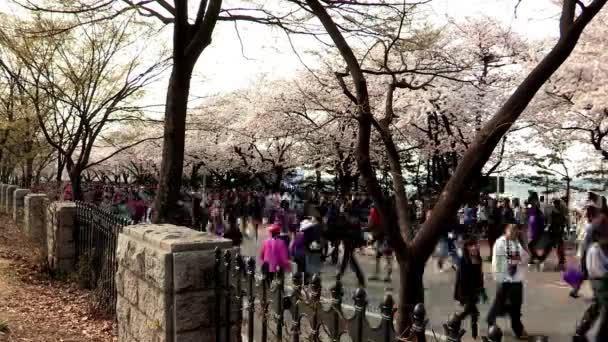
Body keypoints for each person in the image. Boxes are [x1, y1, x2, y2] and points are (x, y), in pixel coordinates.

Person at [487, 224, 529, 340]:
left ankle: (513, 326)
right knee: (502, 304)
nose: (514, 232)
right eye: (512, 229)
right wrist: (518, 259)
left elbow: (526, 258)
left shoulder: (517, 243)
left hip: (516, 280)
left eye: (516, 230)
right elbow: (507, 259)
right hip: (505, 279)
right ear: (506, 230)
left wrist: (524, 242)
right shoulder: (500, 243)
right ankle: (516, 328)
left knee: (514, 306)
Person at [576, 208, 608, 340]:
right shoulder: (598, 224)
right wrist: (584, 272)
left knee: (598, 303)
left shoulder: (600, 223)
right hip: (598, 271)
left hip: (600, 269)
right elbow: (587, 248)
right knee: (605, 305)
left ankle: (581, 330)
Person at [453, 238, 487, 339]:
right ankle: (455, 323)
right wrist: (461, 297)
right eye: (472, 245)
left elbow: (480, 275)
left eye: (476, 245)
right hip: (465, 291)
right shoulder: (463, 261)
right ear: (467, 248)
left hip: (475, 290)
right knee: (471, 310)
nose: (475, 247)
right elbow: (460, 280)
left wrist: (482, 290)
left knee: (472, 311)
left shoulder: (479, 259)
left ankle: (472, 332)